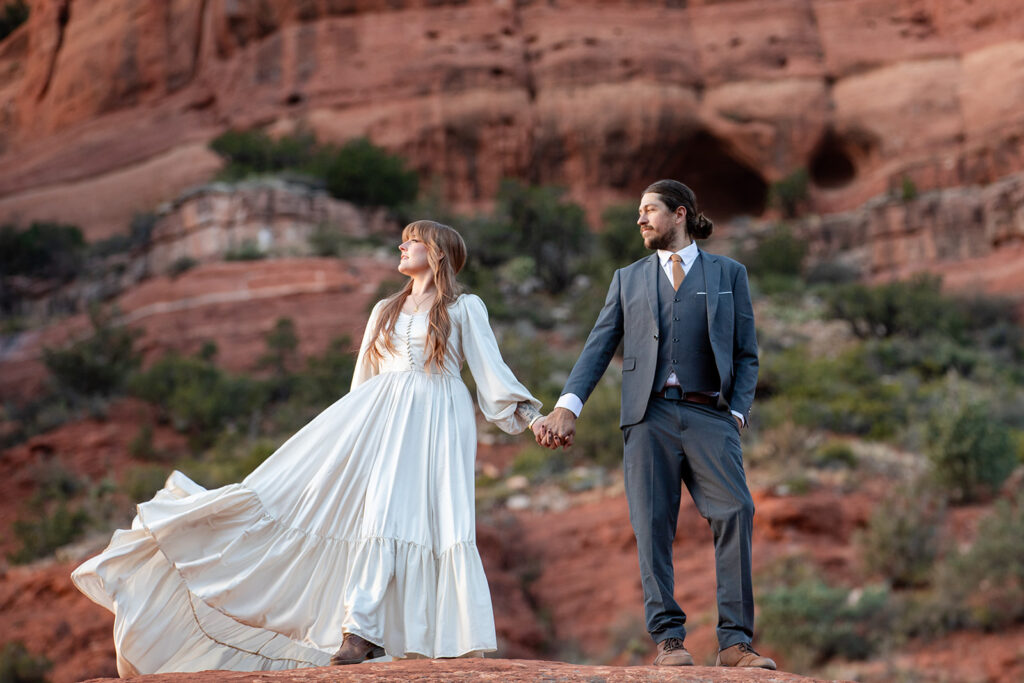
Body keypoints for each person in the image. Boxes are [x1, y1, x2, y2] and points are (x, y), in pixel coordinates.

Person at [72, 220, 544, 674]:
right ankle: (360, 631)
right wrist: (347, 442)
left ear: (436, 252)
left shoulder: (465, 309)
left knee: (434, 520)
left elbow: (492, 376)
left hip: (439, 421)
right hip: (379, 421)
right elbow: (363, 384)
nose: (401, 248)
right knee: (377, 516)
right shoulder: (384, 310)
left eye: (412, 241)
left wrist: (533, 419)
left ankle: (438, 636)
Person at [534, 180, 775, 669]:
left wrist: (737, 411)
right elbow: (598, 347)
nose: (640, 220)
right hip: (648, 418)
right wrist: (568, 406)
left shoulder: (730, 273)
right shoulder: (628, 278)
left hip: (711, 414)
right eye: (639, 212)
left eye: (649, 210)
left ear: (680, 213)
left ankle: (735, 644)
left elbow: (748, 353)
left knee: (736, 511)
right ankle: (669, 640)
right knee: (652, 525)